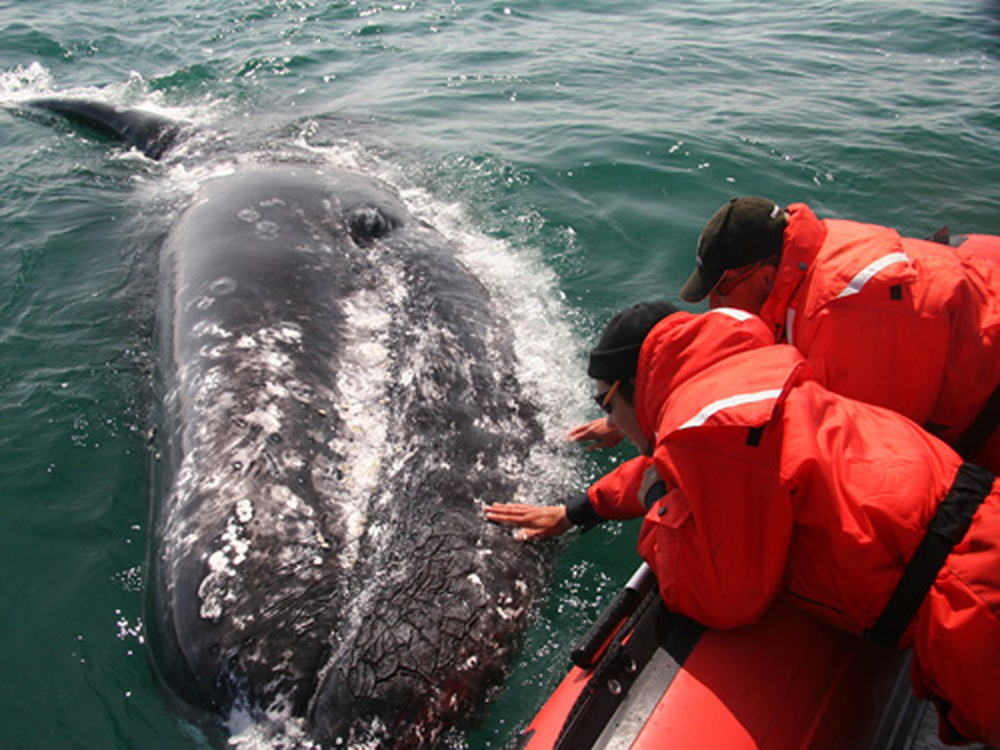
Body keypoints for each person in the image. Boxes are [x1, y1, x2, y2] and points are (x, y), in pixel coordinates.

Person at [486, 302, 1000, 745]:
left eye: (605, 403)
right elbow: (680, 465)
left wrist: (663, 513)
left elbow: (722, 598)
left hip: (970, 607)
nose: (608, 421)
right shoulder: (740, 382)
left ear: (633, 387)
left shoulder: (707, 435)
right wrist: (581, 509)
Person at [570, 199, 1000, 473]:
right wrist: (636, 411)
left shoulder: (837, 318)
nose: (715, 306)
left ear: (764, 275)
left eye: (722, 289)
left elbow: (858, 455)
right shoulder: (815, 253)